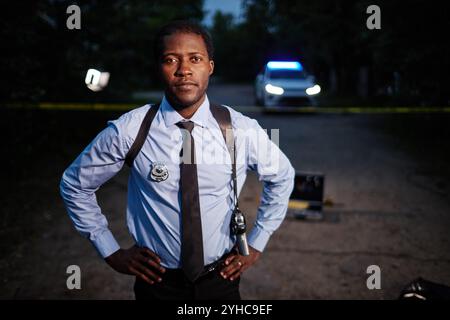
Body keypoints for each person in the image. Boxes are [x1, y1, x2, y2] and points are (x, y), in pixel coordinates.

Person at [60, 20, 295, 300]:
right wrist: (110, 250)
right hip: (157, 282)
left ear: (210, 66)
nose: (184, 70)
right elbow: (74, 184)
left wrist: (256, 242)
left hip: (220, 280)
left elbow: (282, 176)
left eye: (195, 59)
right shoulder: (130, 130)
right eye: (171, 60)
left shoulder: (240, 129)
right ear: (159, 67)